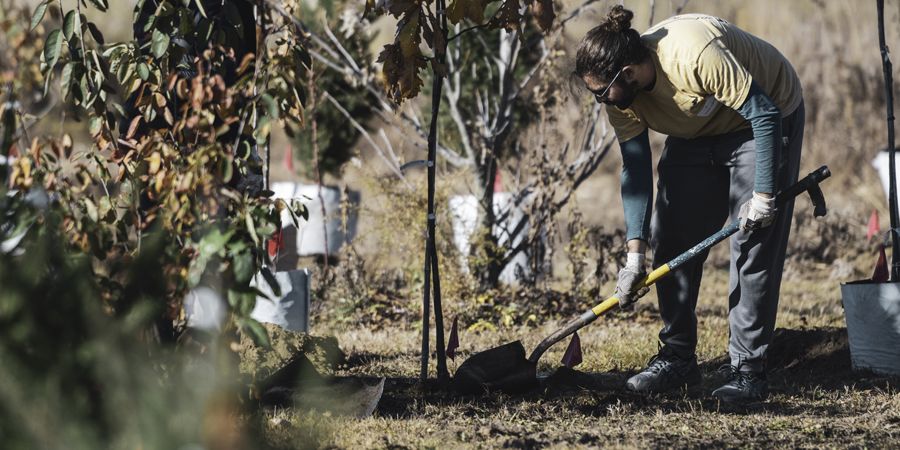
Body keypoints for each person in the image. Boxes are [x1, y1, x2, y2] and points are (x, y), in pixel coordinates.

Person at [574, 6, 804, 402]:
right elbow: (635, 169)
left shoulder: (694, 54)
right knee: (672, 236)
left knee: (751, 242)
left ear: (627, 73)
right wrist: (634, 257)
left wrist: (764, 197)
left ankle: (747, 370)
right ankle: (678, 357)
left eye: (600, 92)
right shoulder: (622, 99)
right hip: (695, 130)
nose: (600, 102)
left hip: (762, 120)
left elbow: (763, 113)